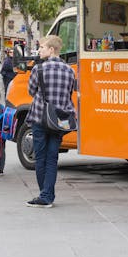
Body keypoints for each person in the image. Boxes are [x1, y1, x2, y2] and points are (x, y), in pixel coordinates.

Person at [26, 35, 76, 208]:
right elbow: (69, 93)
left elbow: (31, 91)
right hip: (59, 120)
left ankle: (45, 195)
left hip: (41, 117)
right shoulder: (70, 71)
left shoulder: (38, 70)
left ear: (51, 49)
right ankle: (48, 194)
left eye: (42, 47)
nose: (39, 50)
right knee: (52, 159)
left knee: (40, 158)